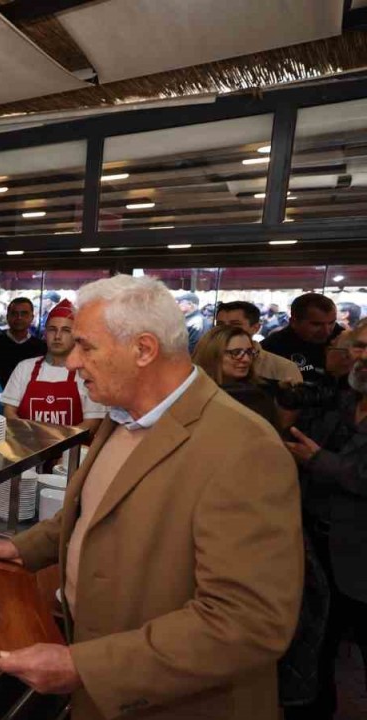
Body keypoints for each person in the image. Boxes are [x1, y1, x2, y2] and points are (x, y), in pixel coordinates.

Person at [0, 274, 302, 720]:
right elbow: (93, 510)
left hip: (177, 705)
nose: (72, 362)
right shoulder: (123, 415)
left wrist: (86, 666)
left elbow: (247, 622)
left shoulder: (245, 447)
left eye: (86, 347)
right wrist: (23, 547)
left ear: (143, 350)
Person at [283, 319, 367, 720]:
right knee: (317, 653)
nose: (363, 357)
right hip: (321, 551)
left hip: (362, 561)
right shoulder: (345, 399)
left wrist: (319, 460)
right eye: (359, 347)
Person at [1, 300, 104, 434]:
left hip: (72, 447)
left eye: (66, 330)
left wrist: (59, 442)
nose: (57, 336)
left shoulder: (87, 373)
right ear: (45, 334)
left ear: (75, 335)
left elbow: (92, 423)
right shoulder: (24, 368)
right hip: (28, 444)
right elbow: (9, 412)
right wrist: (30, 438)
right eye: (52, 329)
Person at [192, 325, 280, 429]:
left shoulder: (260, 394)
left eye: (249, 352)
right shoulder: (192, 394)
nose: (246, 359)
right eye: (236, 353)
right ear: (213, 354)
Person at [216, 300, 304, 386]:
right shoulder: (209, 361)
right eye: (220, 324)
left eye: (235, 324)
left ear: (255, 328)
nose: (225, 329)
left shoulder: (283, 368)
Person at [262, 293, 343, 381]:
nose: (326, 331)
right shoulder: (271, 348)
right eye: (316, 324)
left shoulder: (343, 337)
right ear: (294, 322)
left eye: (331, 323)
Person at [0, 297, 48, 385]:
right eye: (14, 313)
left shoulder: (41, 348)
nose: (19, 317)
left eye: (24, 314)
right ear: (7, 317)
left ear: (32, 317)